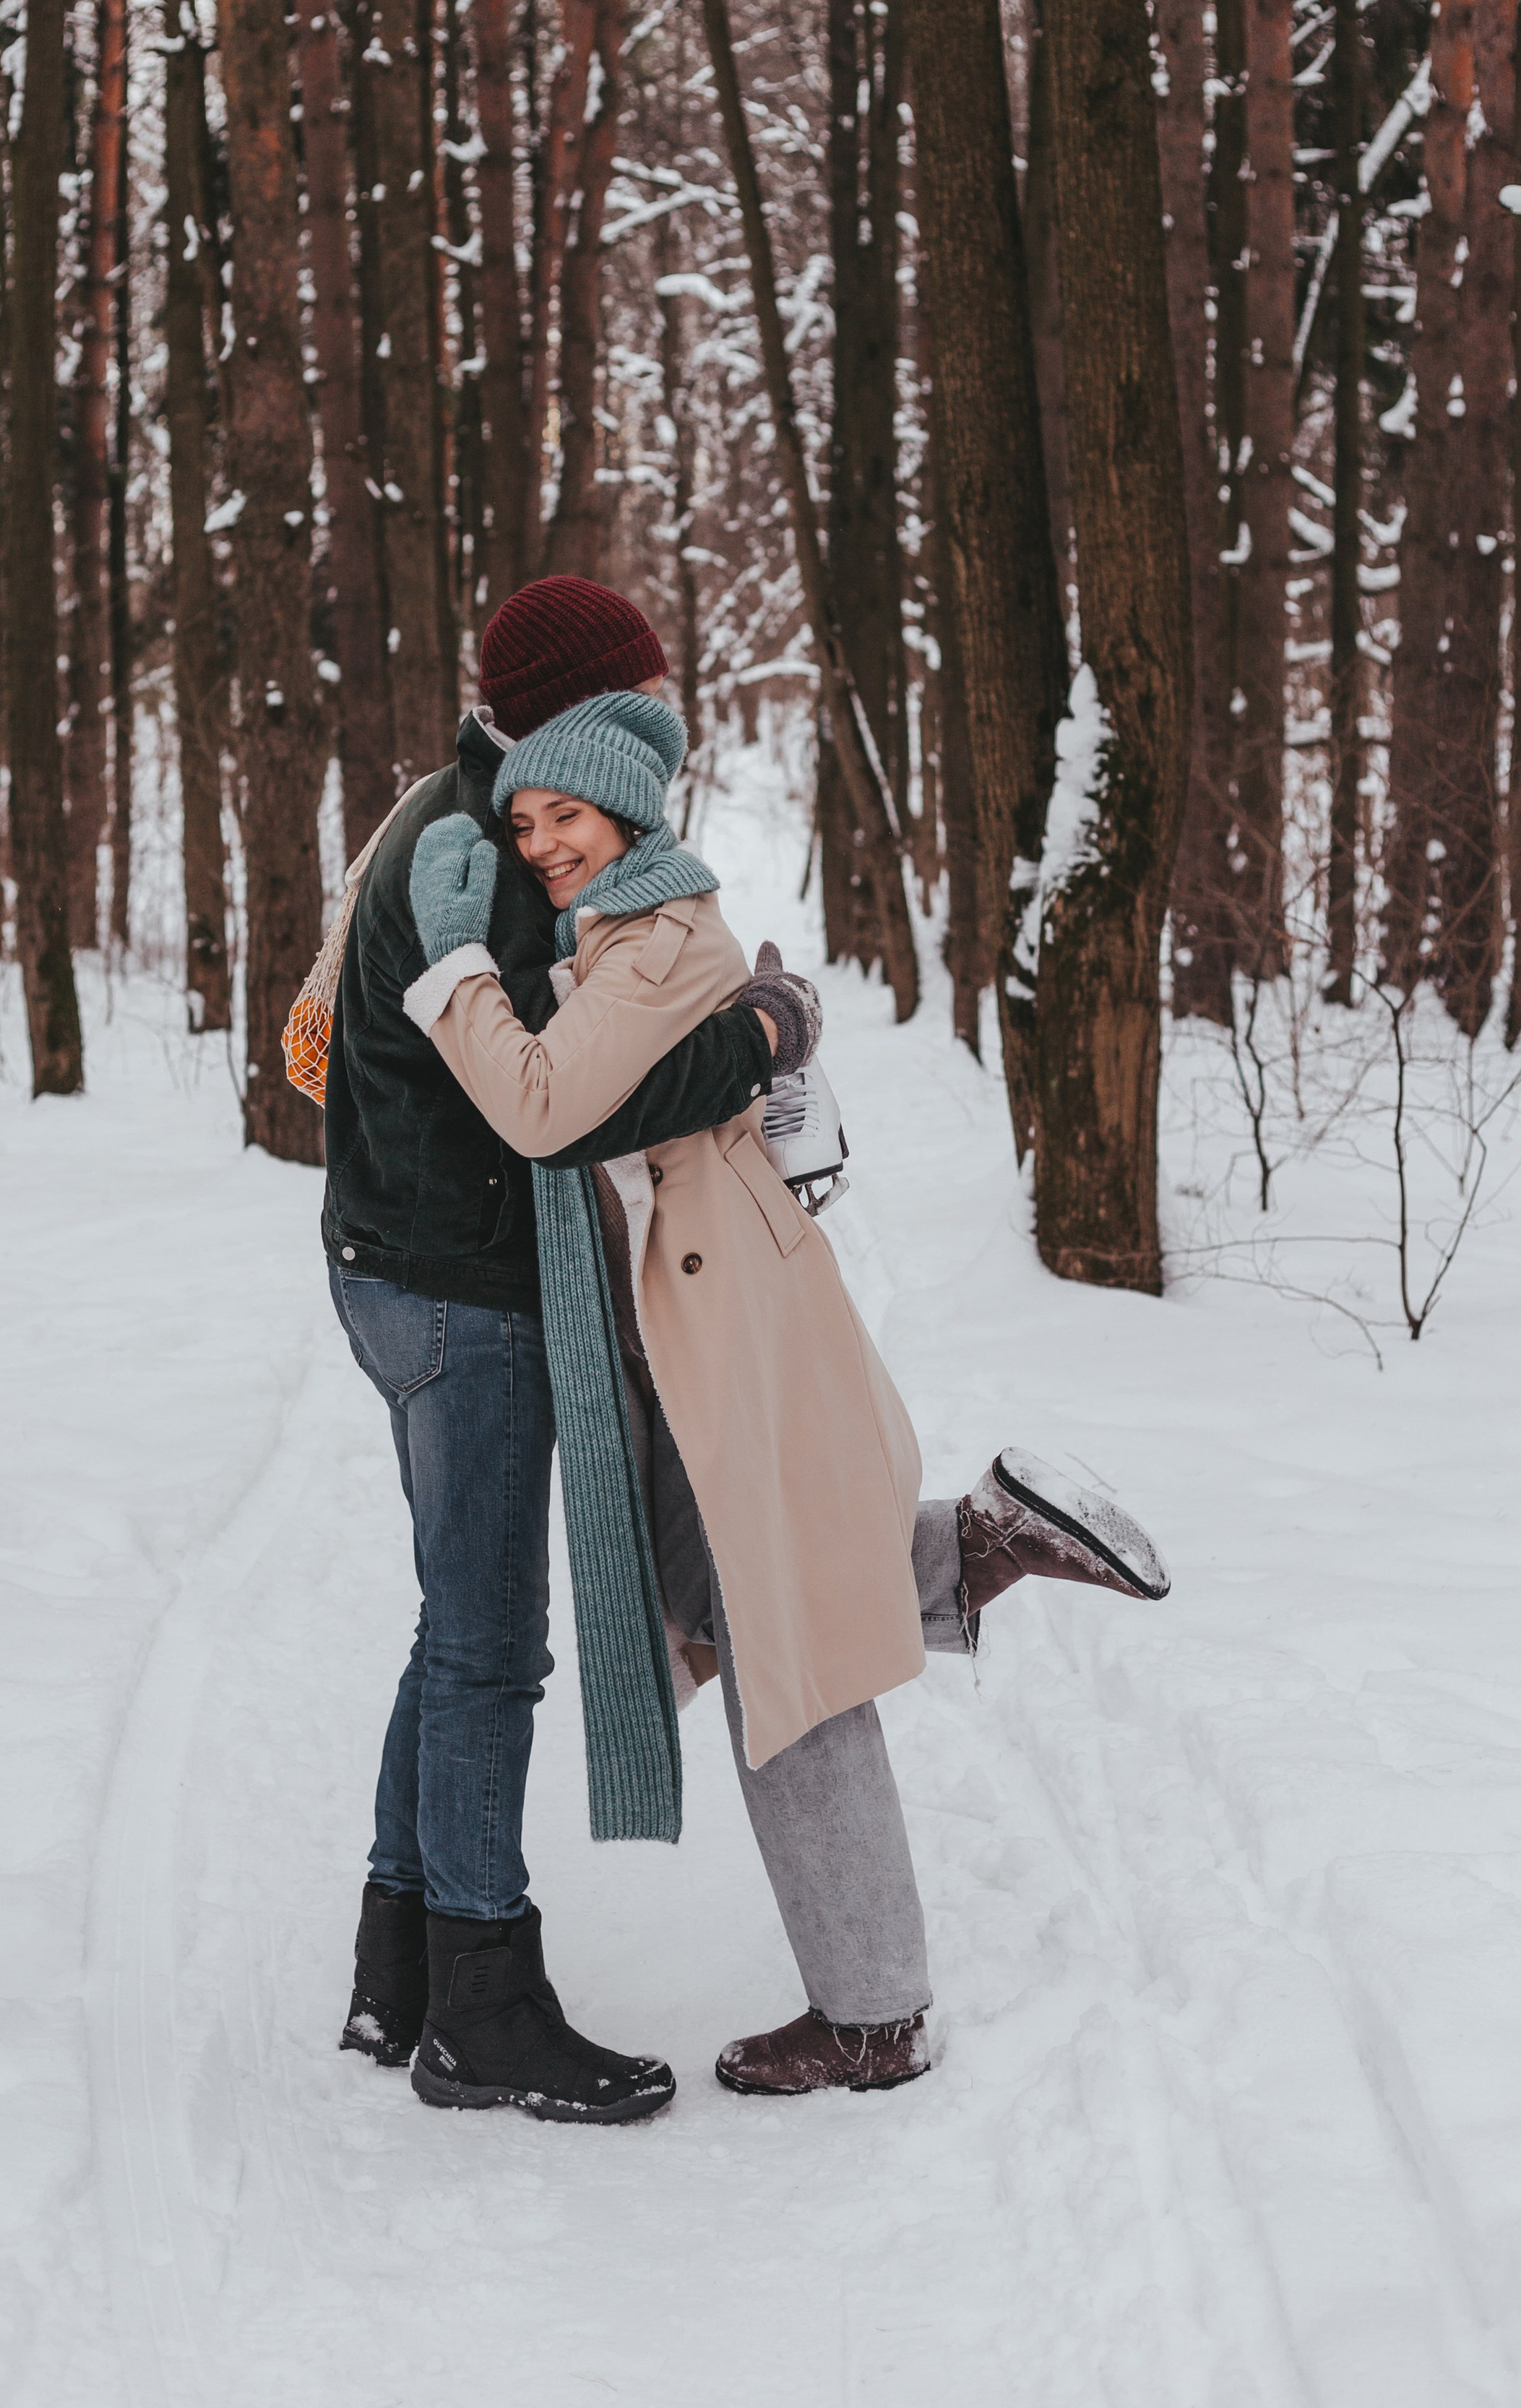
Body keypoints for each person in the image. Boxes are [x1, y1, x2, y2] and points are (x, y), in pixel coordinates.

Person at [395, 684, 1171, 2110]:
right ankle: (975, 1543)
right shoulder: (629, 940)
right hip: (689, 1330)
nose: (541, 841)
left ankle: (874, 2014)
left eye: (562, 813)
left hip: (712, 1327)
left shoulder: (648, 940)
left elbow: (542, 1107)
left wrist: (452, 967)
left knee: (779, 1656)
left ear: (625, 816)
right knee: (723, 1594)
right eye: (523, 821)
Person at [322, 579, 786, 2126]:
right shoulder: (506, 844)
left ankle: (400, 1960)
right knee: (486, 1647)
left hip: (400, 1264)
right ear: (584, 714)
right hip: (458, 1284)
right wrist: (762, 1038)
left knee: (452, 1622)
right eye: (641, 694)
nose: (664, 716)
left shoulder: (465, 808)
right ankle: (480, 2004)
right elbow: (574, 1095)